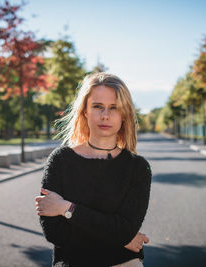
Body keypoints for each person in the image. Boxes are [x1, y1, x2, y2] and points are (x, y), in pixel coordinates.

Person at [35, 72, 152, 267]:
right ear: (85, 111)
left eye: (114, 108)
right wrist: (120, 241)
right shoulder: (60, 160)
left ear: (124, 114)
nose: (105, 115)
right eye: (97, 106)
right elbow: (54, 232)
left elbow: (125, 229)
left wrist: (67, 208)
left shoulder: (138, 167)